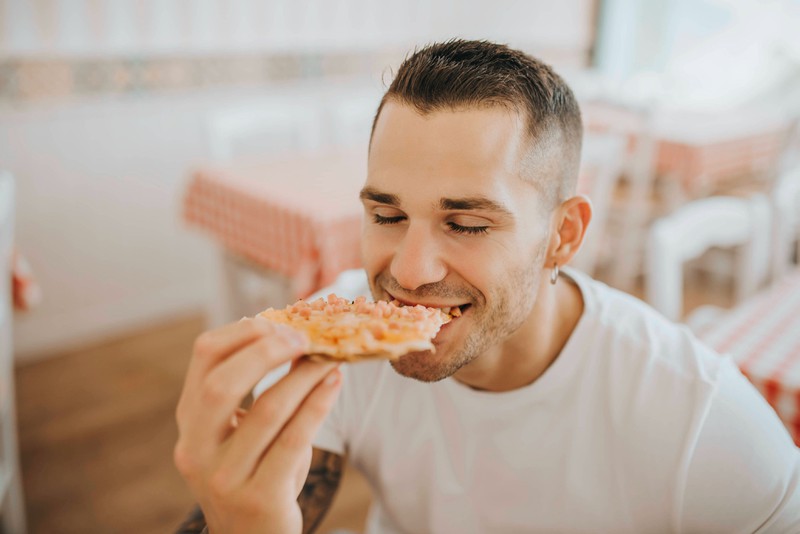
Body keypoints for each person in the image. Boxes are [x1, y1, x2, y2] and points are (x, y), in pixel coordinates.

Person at [174, 39, 800, 534]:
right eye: (387, 217)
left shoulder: (703, 422)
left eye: (467, 224)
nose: (410, 274)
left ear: (562, 236)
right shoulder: (339, 349)